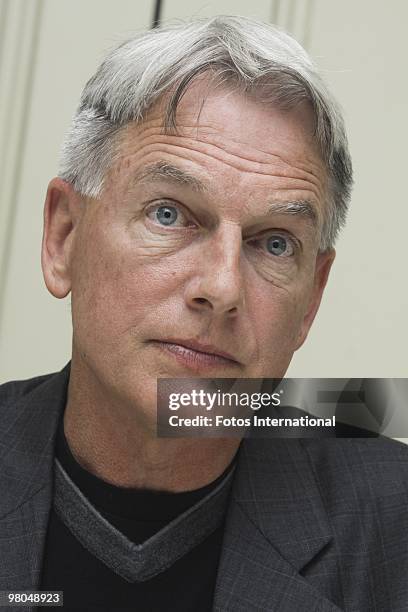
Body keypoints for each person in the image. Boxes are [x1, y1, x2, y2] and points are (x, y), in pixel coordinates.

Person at [0, 15, 406, 612]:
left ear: (310, 302)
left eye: (274, 243)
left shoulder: (393, 521)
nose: (221, 288)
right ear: (63, 237)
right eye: (169, 214)